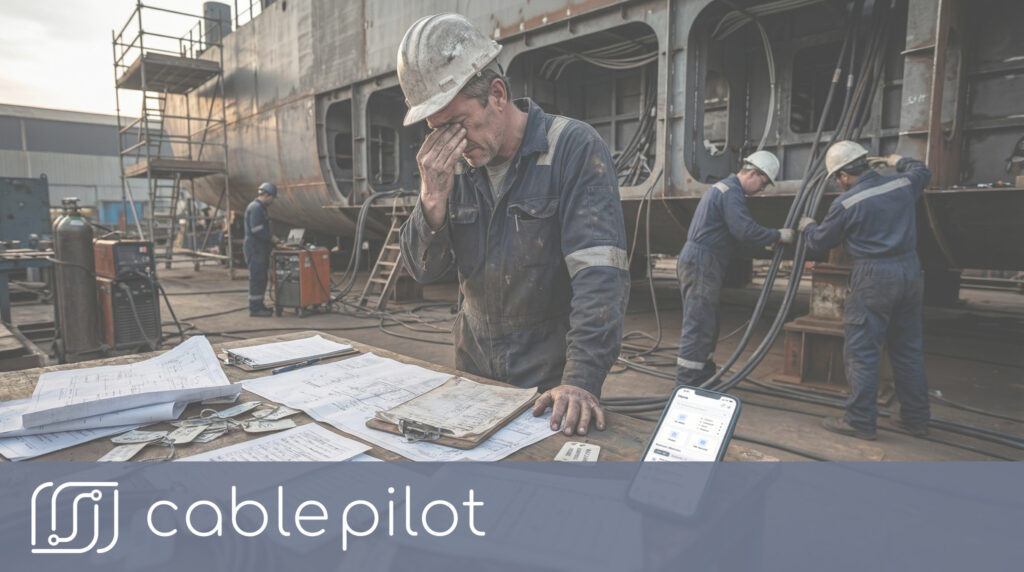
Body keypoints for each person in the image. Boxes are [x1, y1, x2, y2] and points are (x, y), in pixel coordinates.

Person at [397, 13, 630, 436]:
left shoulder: (572, 149)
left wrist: (580, 380)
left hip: (549, 383)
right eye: (437, 130)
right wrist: (432, 196)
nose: (452, 143)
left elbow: (601, 274)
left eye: (459, 124)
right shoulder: (454, 170)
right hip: (474, 370)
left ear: (498, 94)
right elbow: (423, 272)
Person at [798, 141, 932, 440]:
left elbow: (819, 242)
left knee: (862, 351)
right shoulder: (903, 183)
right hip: (910, 271)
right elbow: (922, 169)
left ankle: (859, 421)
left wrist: (807, 226)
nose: (837, 182)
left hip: (874, 276)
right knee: (907, 350)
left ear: (845, 174)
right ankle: (916, 419)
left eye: (836, 177)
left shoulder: (846, 203)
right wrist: (899, 160)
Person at [675, 152, 794, 386]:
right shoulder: (731, 192)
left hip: (703, 260)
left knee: (708, 322)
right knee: (699, 324)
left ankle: (704, 376)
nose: (762, 190)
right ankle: (687, 384)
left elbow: (738, 235)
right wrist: (778, 235)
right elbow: (745, 231)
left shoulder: (725, 189)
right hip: (702, 261)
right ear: (753, 173)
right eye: (763, 183)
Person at [244, 182, 280, 317]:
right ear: (266, 195)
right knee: (257, 278)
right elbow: (257, 230)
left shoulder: (260, 207)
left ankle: (258, 305)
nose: (272, 201)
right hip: (255, 248)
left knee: (261, 278)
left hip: (259, 248)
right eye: (272, 198)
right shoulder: (256, 208)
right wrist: (272, 239)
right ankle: (255, 308)